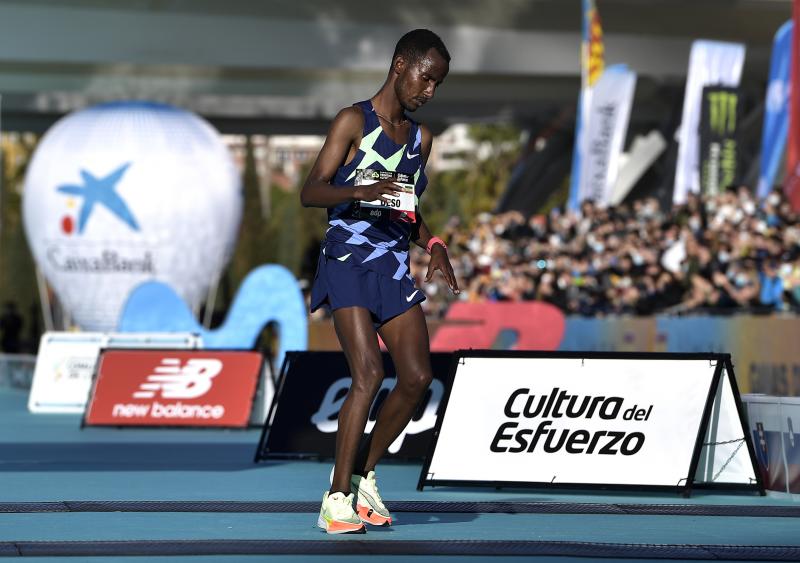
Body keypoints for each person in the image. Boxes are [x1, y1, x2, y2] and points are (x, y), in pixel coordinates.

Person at [300, 29, 459, 534]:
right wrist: (363, 187)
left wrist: (434, 247)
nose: (429, 91)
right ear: (399, 65)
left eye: (437, 84)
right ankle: (335, 497)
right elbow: (312, 191)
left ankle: (364, 477)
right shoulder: (353, 120)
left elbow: (408, 209)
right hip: (347, 259)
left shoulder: (421, 139)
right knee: (367, 373)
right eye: (425, 78)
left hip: (391, 263)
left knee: (416, 378)